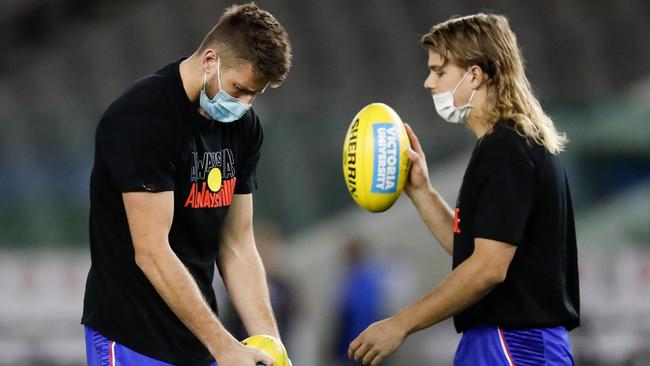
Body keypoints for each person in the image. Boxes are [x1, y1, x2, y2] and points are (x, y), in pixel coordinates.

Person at [349, 13, 579, 366]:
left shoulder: (507, 148)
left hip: (514, 343)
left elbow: (488, 268)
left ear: (475, 74)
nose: (428, 82)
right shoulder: (507, 143)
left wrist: (401, 324)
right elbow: (473, 251)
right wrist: (422, 191)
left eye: (439, 71)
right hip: (505, 340)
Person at [81, 3, 292, 366]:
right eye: (239, 89)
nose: (244, 104)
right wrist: (223, 345)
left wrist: (272, 345)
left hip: (199, 341)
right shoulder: (142, 118)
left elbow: (237, 243)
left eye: (254, 95)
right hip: (132, 339)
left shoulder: (244, 127)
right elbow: (152, 252)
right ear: (210, 60)